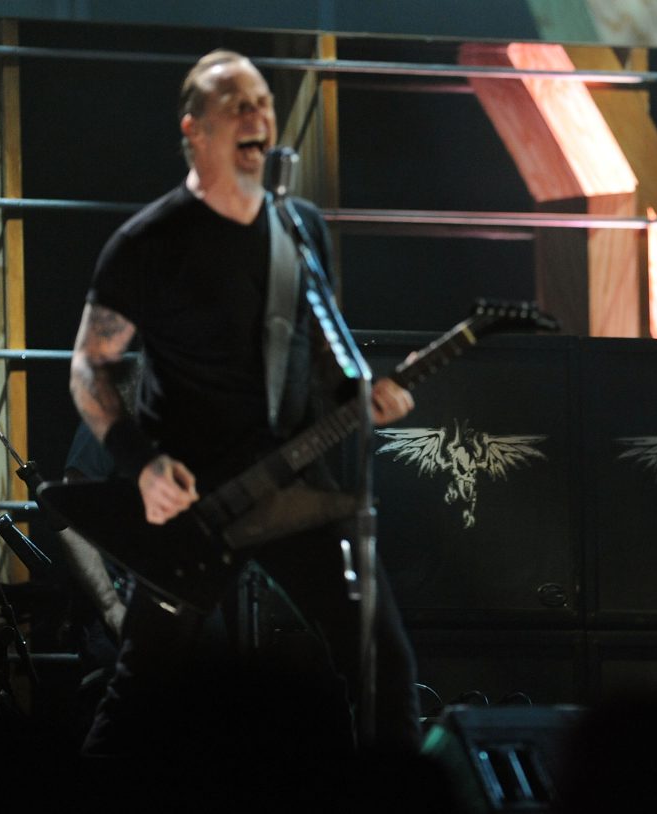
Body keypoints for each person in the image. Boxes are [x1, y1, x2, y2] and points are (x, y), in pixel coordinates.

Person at [67, 50, 421, 765]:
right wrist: (143, 466)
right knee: (142, 694)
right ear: (194, 129)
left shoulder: (300, 228)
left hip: (294, 487)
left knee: (383, 665)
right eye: (239, 106)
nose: (259, 115)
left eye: (264, 102)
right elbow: (88, 368)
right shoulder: (148, 241)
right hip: (196, 505)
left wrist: (363, 396)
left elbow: (316, 357)